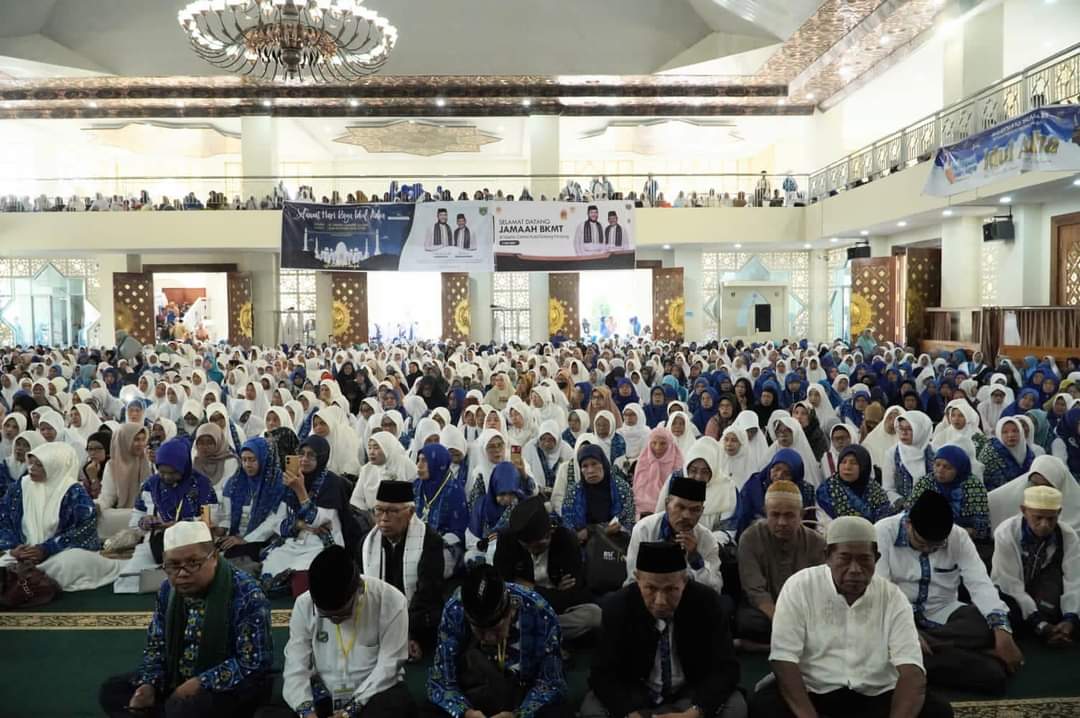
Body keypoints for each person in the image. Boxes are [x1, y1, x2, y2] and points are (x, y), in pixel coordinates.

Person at [749, 516, 953, 718]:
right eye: (844, 559)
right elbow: (783, 659)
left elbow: (912, 671)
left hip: (876, 693)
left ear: (876, 559)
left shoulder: (892, 597)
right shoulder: (800, 587)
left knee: (938, 712)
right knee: (764, 707)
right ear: (827, 556)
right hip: (814, 690)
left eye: (864, 560)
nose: (855, 570)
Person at [99, 521, 273, 718]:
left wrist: (199, 683)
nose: (182, 573)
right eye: (173, 565)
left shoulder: (246, 593)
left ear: (214, 557)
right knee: (113, 690)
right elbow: (156, 646)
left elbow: (254, 664)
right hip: (176, 677)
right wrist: (149, 684)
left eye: (193, 563)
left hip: (225, 687)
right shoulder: (168, 590)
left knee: (186, 708)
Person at [875, 491, 1022, 694]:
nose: (929, 550)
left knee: (998, 619)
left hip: (942, 613)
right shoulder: (882, 533)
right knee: (991, 675)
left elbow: (980, 583)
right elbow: (881, 593)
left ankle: (920, 655)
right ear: (908, 524)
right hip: (897, 616)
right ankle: (947, 655)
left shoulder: (957, 536)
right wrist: (908, 632)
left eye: (937, 546)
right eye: (922, 543)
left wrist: (1002, 631)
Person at [582, 541, 746, 718]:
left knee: (735, 708)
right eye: (650, 588)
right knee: (592, 710)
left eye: (671, 589)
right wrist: (629, 713)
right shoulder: (618, 606)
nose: (660, 601)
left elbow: (726, 668)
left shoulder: (707, 602)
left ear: (684, 581)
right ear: (638, 579)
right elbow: (601, 673)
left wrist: (694, 713)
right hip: (635, 692)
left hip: (691, 691)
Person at [262, 545, 416, 718]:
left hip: (373, 693)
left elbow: (389, 666)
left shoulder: (391, 601)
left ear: (359, 589)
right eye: (326, 616)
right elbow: (296, 665)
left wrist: (350, 711)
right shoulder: (304, 604)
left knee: (394, 706)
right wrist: (307, 712)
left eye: (342, 614)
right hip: (323, 693)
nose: (335, 620)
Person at [424, 563, 569, 718]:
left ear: (511, 610)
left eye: (496, 629)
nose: (488, 638)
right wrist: (465, 712)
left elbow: (551, 683)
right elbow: (442, 679)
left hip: (523, 695)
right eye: (479, 630)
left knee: (557, 711)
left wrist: (520, 714)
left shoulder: (539, 611)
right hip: (474, 693)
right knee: (432, 709)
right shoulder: (455, 609)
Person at [0, 442, 121, 591]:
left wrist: (46, 549)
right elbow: (4, 520)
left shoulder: (74, 492)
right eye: (30, 463)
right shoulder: (20, 487)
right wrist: (13, 549)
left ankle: (29, 578)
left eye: (39, 465)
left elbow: (82, 531)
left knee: (69, 563)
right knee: (7, 563)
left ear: (56, 466)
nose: (31, 468)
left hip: (59, 553)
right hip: (20, 553)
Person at [494, 495, 602, 640]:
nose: (533, 551)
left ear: (550, 531)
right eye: (529, 547)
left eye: (539, 545)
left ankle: (531, 633)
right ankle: (545, 634)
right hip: (521, 608)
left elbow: (572, 596)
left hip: (558, 611)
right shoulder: (507, 540)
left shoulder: (566, 539)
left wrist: (530, 588)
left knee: (594, 615)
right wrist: (555, 592)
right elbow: (504, 586)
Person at [360, 480, 446, 661]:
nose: (384, 518)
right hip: (379, 619)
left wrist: (408, 633)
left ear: (411, 512)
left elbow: (427, 595)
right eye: (379, 510)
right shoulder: (367, 544)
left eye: (392, 511)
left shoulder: (430, 542)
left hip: (417, 621)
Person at [735, 480, 826, 650]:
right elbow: (755, 591)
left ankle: (765, 647)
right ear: (765, 513)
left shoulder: (816, 543)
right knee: (748, 621)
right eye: (775, 515)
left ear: (801, 514)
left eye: (789, 515)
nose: (782, 522)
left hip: (803, 613)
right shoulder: (750, 538)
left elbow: (820, 591)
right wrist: (783, 622)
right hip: (766, 612)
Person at [992, 485, 1080, 645]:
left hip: (1043, 588)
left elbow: (1074, 579)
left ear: (1059, 512)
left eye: (1051, 518)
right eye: (1038, 517)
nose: (1045, 524)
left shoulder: (1067, 536)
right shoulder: (1006, 533)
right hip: (1010, 592)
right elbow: (1009, 582)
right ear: (1024, 510)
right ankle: (1042, 627)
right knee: (1006, 613)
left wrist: (1070, 618)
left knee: (1060, 609)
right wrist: (1039, 622)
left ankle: (1058, 629)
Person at [626, 476, 724, 595]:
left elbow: (715, 588)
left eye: (695, 510)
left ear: (702, 511)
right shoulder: (644, 529)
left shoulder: (707, 538)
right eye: (680, 507)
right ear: (667, 504)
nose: (686, 516)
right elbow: (634, 577)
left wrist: (694, 557)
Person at [816, 444, 893, 524]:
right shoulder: (827, 491)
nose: (847, 467)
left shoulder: (876, 491)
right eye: (843, 462)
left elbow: (885, 522)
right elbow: (824, 525)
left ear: (864, 466)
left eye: (854, 463)